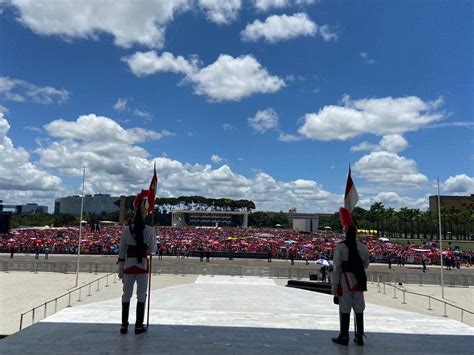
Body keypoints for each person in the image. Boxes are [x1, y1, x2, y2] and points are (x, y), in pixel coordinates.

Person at [117, 191, 156, 335]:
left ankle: (124, 326)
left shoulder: (127, 230)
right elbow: (152, 250)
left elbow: (122, 251)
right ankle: (138, 326)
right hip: (142, 266)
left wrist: (121, 266)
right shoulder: (150, 230)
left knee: (126, 295)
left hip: (128, 265)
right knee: (141, 295)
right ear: (145, 214)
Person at [331, 223, 370, 346]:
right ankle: (359, 336)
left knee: (345, 306)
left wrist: (334, 285)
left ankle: (344, 335)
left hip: (345, 279)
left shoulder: (341, 247)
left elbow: (336, 267)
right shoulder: (363, 247)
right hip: (358, 278)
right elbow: (366, 265)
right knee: (359, 307)